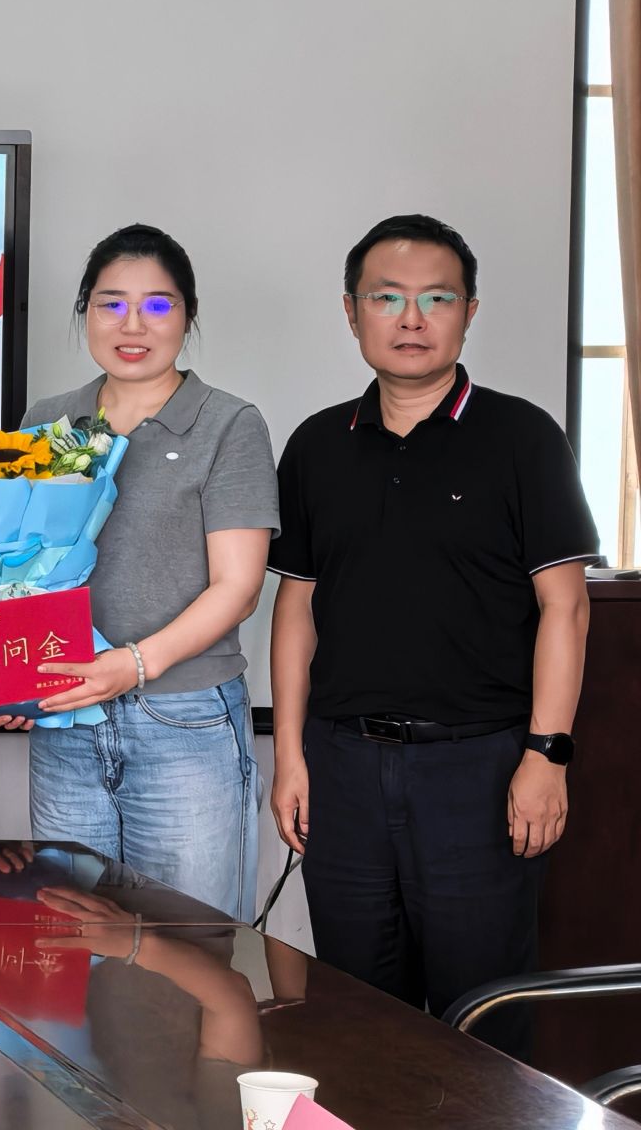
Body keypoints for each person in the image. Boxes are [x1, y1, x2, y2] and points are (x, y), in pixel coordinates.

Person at [268, 213, 595, 1054]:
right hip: (342, 767)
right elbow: (297, 607)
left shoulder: (523, 438)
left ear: (468, 312)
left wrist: (547, 755)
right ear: (352, 312)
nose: (411, 319)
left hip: (479, 769)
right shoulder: (316, 445)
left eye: (436, 299)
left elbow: (565, 607)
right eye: (387, 298)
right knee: (353, 1014)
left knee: (482, 1020)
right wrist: (291, 756)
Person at [0, 225, 278, 921]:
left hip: (184, 720)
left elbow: (238, 588)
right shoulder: (47, 420)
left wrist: (134, 665)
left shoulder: (228, 424)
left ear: (188, 314)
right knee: (72, 946)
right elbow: (17, 573)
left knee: (191, 942)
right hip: (67, 722)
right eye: (111, 304)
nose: (132, 325)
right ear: (85, 311)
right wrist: (9, 674)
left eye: (157, 305)